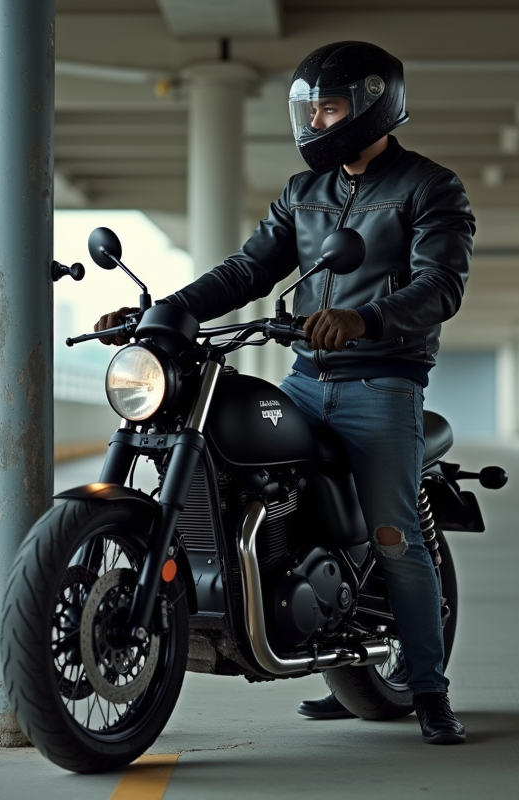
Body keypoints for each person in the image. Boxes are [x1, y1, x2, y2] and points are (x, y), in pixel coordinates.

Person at [95, 40, 475, 744]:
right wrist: (161, 317)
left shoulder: (430, 187)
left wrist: (366, 318)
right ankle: (301, 631)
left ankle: (427, 689)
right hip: (303, 381)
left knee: (394, 538)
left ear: (373, 104)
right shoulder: (305, 195)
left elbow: (440, 285)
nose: (318, 121)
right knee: (245, 479)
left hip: (382, 383)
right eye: (311, 108)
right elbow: (246, 270)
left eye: (331, 108)